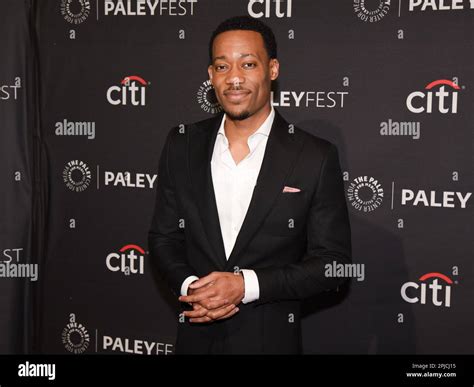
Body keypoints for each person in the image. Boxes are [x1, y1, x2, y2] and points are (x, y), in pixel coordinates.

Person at [148, 15, 352, 354]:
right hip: (195, 340)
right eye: (222, 67)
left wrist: (246, 286)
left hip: (268, 342)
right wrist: (193, 287)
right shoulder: (182, 144)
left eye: (248, 63)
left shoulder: (314, 156)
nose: (235, 79)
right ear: (211, 76)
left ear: (272, 69)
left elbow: (333, 264)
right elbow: (164, 237)